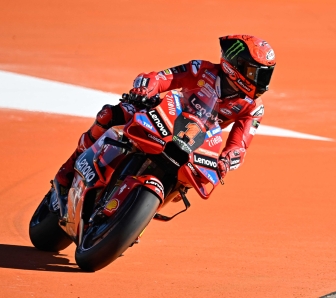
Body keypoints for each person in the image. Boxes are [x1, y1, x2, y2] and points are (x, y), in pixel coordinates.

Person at [53, 34, 276, 198]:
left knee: (188, 186)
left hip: (196, 146)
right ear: (236, 65)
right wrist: (144, 90)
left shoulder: (253, 108)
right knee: (110, 114)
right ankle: (69, 168)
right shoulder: (201, 69)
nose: (262, 81)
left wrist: (227, 160)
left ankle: (136, 220)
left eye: (266, 74)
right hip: (163, 118)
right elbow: (161, 78)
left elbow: (240, 144)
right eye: (256, 73)